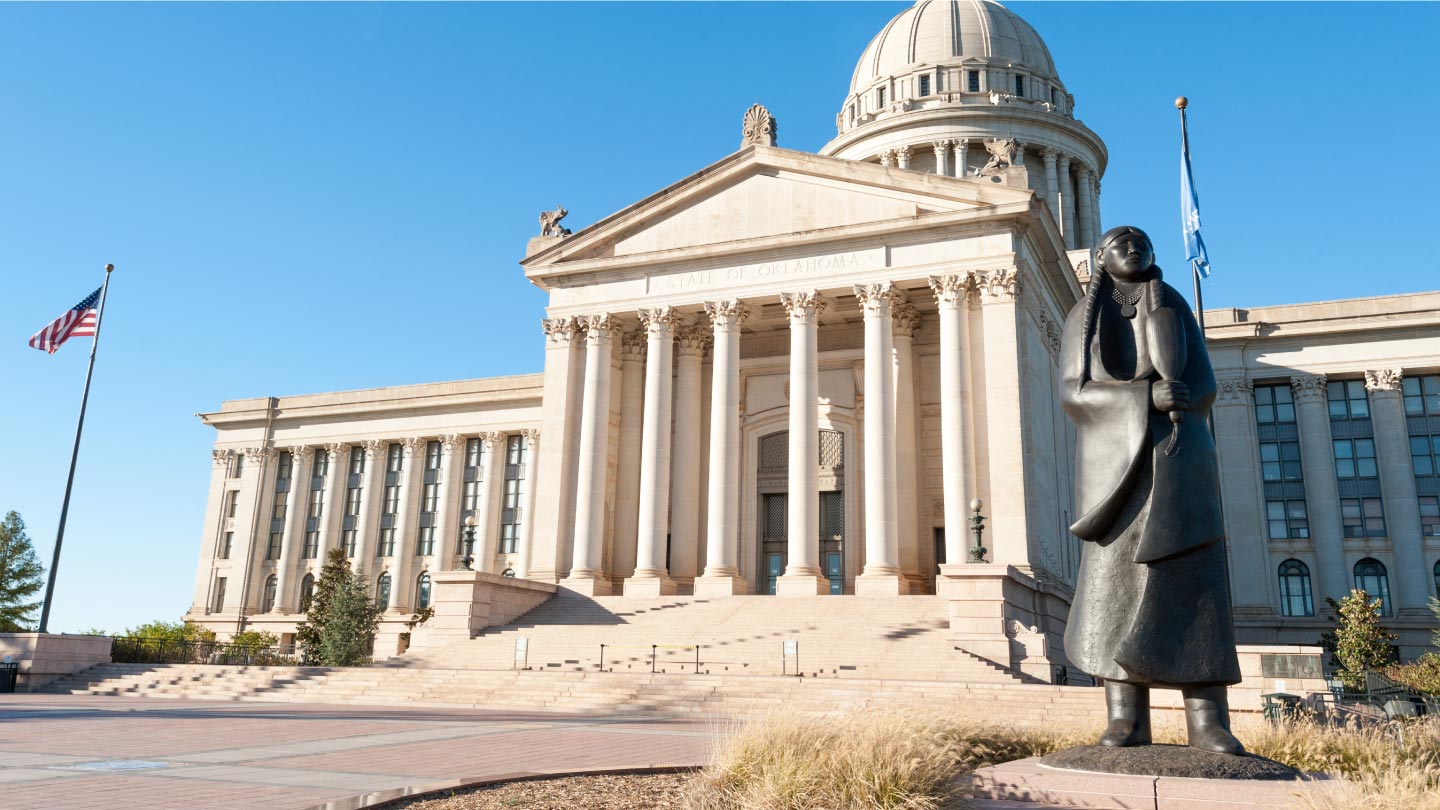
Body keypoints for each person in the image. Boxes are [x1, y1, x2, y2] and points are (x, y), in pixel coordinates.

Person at [1059, 225, 1243, 755]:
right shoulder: (1083, 317)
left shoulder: (1177, 309)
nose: (1133, 248)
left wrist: (1180, 398)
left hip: (1179, 460)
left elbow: (1205, 382)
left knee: (1191, 584)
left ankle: (1207, 720)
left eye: (1141, 242)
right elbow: (1074, 393)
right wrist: (1144, 399)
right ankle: (1126, 718)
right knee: (1114, 591)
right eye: (1121, 242)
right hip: (1118, 473)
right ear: (1100, 257)